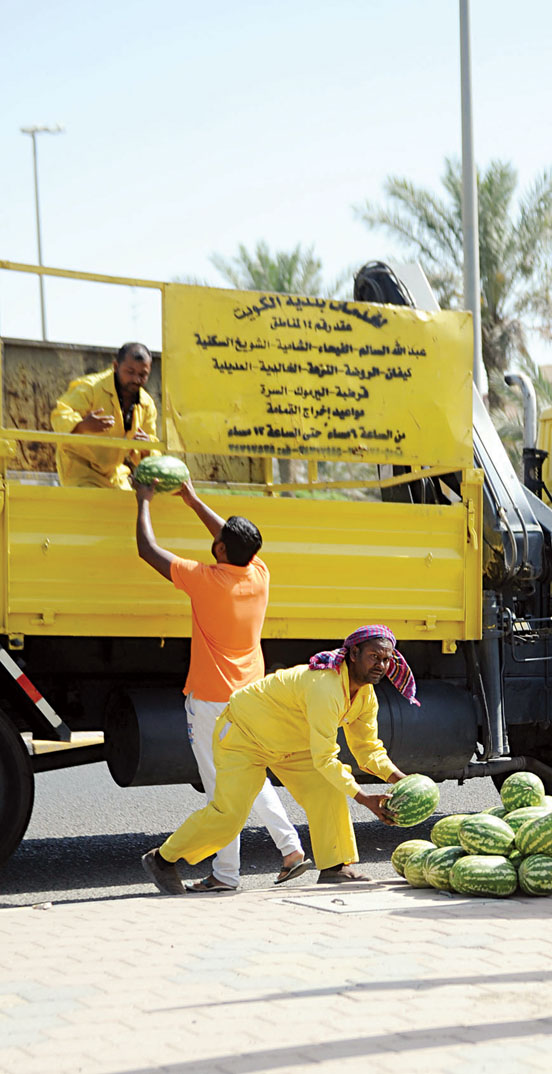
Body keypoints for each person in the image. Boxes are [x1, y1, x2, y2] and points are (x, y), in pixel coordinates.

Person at [140, 625, 413, 895]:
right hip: (244, 736)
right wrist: (365, 799)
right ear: (353, 654)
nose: (381, 665)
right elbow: (325, 758)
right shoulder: (325, 687)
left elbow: (368, 749)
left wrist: (404, 781)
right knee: (228, 817)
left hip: (291, 745)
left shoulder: (365, 696)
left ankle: (335, 866)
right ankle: (162, 860)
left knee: (326, 789)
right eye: (374, 657)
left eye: (387, 659)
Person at [134, 478, 308, 892]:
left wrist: (143, 500)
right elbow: (229, 542)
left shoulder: (204, 579)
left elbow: (146, 550)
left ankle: (226, 875)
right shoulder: (259, 574)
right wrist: (193, 501)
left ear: (221, 551)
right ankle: (291, 849)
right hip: (251, 697)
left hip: (212, 700)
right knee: (251, 776)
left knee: (220, 790)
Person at [51, 342, 159, 489]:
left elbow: (151, 447)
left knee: (132, 507)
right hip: (81, 471)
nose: (135, 379)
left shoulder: (146, 405)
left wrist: (146, 449)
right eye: (130, 372)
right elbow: (60, 415)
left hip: (114, 474)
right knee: (94, 506)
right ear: (115, 366)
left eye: (142, 374)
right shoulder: (90, 387)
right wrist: (82, 426)